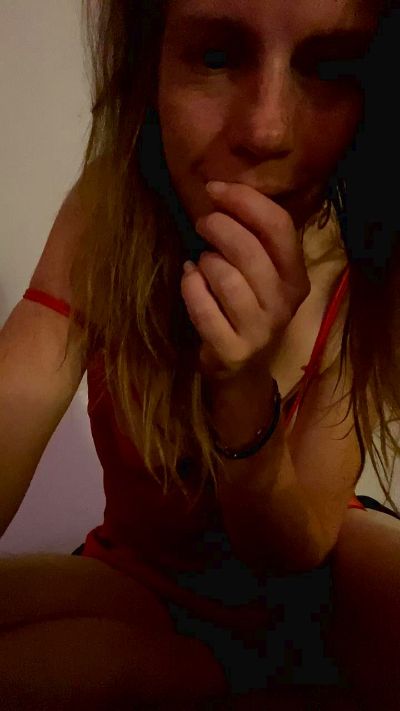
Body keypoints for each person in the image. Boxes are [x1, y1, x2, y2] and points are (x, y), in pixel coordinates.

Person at [1, 0, 400, 708]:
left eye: (330, 67)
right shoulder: (111, 215)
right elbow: (20, 388)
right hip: (136, 581)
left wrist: (241, 387)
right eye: (217, 56)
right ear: (147, 69)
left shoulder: (364, 271)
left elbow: (294, 551)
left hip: (300, 601)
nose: (268, 130)